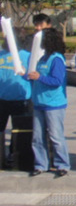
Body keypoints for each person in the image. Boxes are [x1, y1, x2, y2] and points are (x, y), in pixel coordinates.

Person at [28, 28, 70, 177]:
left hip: (54, 104)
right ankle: (41, 164)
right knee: (37, 137)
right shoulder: (42, 58)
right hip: (39, 102)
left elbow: (57, 81)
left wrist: (39, 77)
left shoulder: (56, 59)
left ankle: (62, 164)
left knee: (55, 136)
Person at [0, 29, 32, 170]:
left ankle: (15, 156)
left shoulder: (27, 56)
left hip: (22, 99)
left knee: (18, 131)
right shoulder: (1, 55)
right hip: (2, 99)